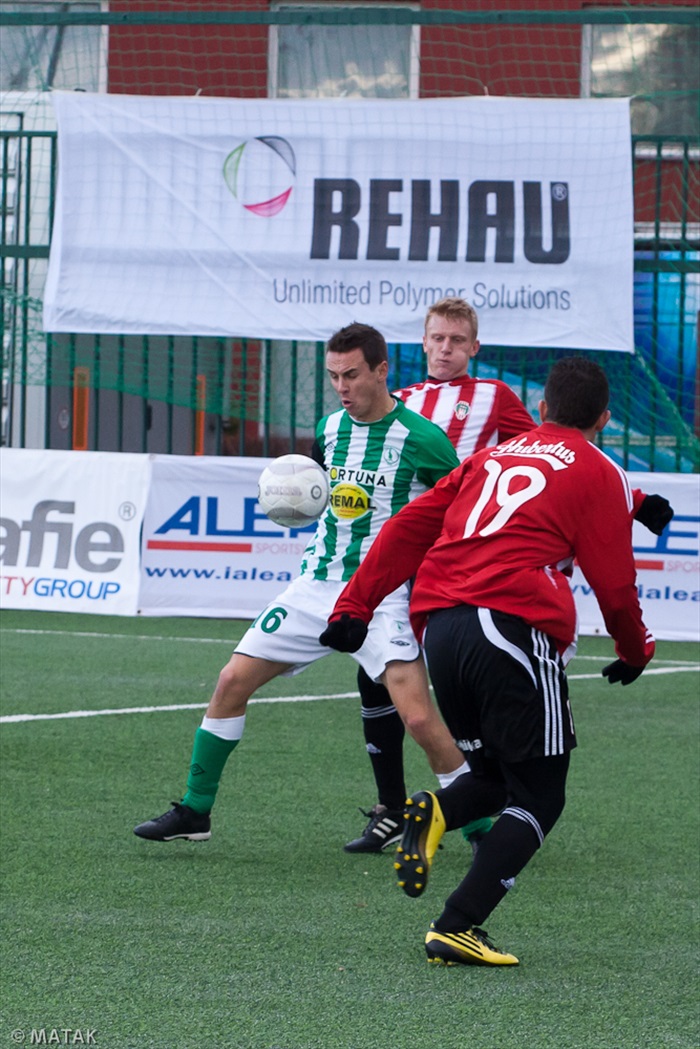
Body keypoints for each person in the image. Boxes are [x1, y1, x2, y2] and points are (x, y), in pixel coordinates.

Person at [320, 356, 656, 966]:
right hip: (510, 627)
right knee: (543, 794)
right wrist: (636, 651)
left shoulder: (491, 458)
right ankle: (457, 923)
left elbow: (407, 528)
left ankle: (436, 813)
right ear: (604, 419)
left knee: (498, 779)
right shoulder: (598, 469)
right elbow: (615, 583)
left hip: (442, 628)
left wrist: (354, 605)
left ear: (545, 409)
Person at [345, 297, 672, 855]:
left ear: (474, 347)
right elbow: (571, 455)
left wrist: (634, 500)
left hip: (459, 565)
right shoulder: (401, 402)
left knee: (432, 706)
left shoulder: (496, 398)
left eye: (456, 340)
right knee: (381, 680)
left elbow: (552, 457)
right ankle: (399, 808)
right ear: (422, 343)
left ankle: (453, 817)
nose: (445, 348)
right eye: (437, 338)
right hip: (445, 567)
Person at [134, 321, 469, 844]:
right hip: (314, 587)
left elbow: (460, 515)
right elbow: (319, 486)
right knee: (230, 682)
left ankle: (484, 825)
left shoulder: (423, 439)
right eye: (333, 376)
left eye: (352, 375)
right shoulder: (330, 428)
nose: (342, 386)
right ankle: (196, 811)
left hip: (382, 599)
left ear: (381, 371)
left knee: (422, 722)